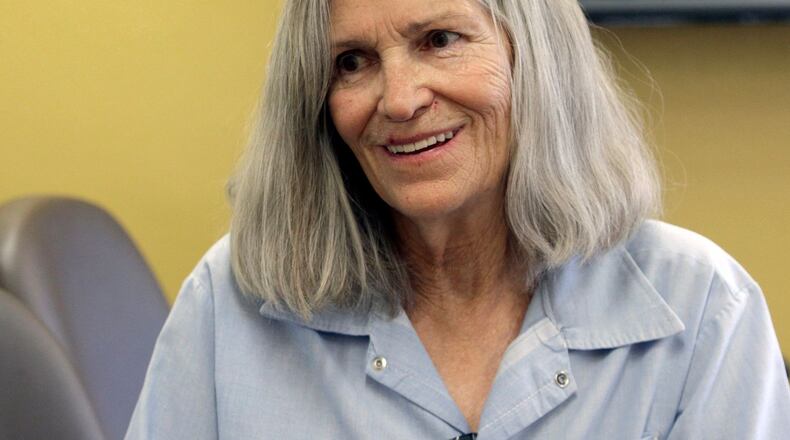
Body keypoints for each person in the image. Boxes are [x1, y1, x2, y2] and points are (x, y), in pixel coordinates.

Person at [125, 0, 790, 438]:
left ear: (533, 59)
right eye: (351, 63)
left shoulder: (703, 309)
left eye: (440, 40)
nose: (402, 99)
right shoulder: (232, 303)